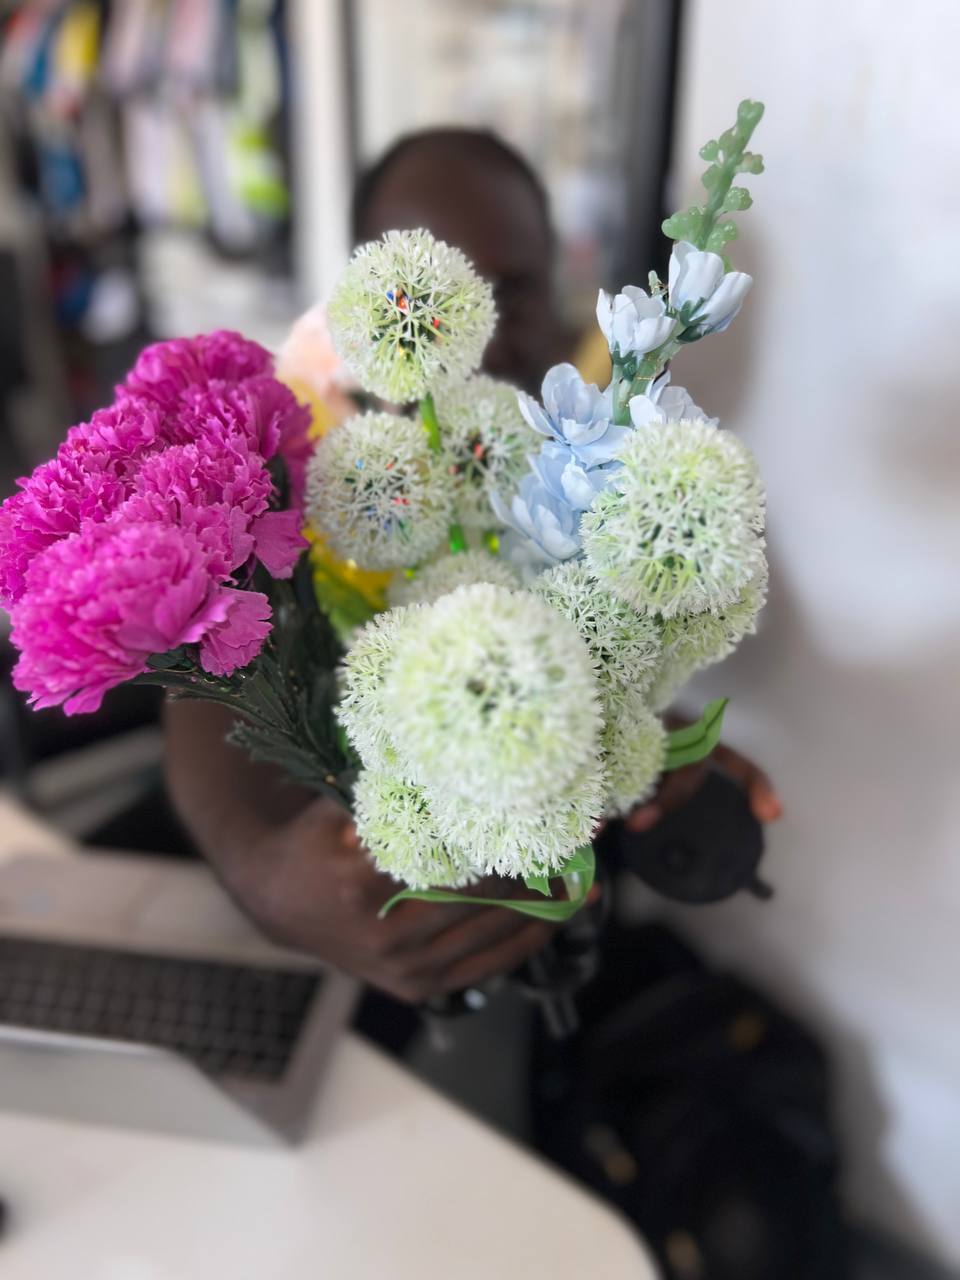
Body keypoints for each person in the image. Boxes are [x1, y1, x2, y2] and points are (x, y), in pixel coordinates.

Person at [165, 128, 781, 1007]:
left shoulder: (600, 422)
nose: (482, 335)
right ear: (366, 301)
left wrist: (642, 737)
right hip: (352, 968)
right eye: (434, 300)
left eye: (514, 289)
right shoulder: (306, 452)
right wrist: (261, 874)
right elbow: (200, 672)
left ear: (557, 276)